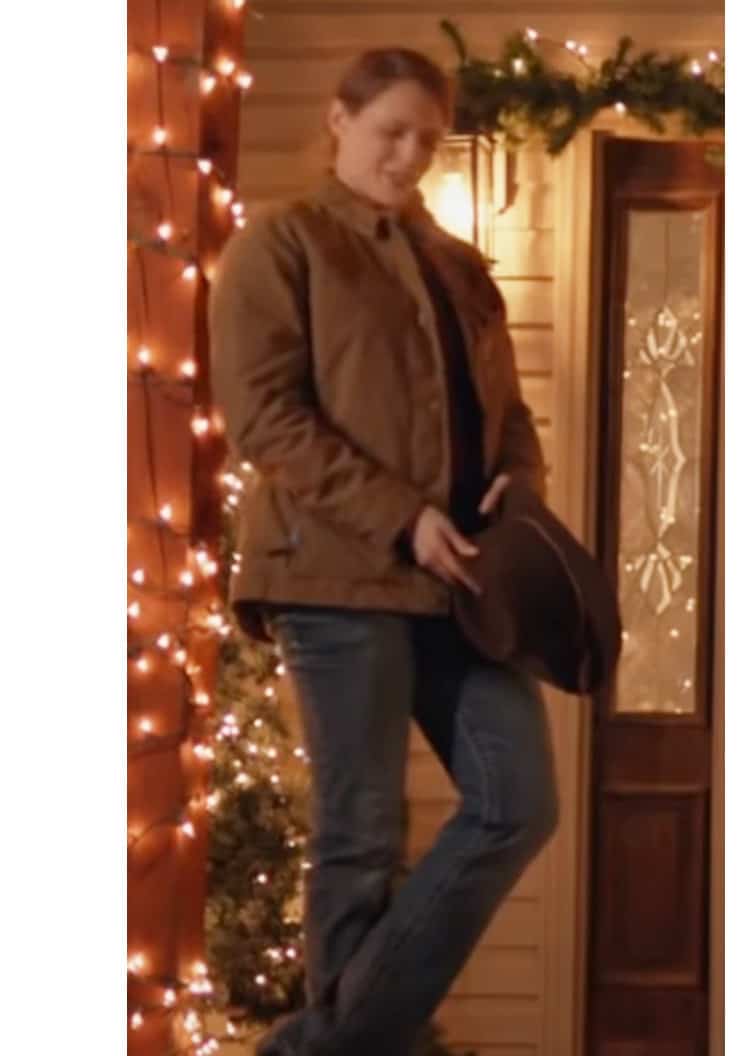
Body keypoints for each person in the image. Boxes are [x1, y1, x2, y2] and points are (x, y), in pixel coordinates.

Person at [209, 46, 559, 1056]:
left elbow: (509, 416)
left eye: (426, 138)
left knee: (518, 803)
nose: (407, 155)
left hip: (460, 586)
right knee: (358, 839)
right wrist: (404, 517)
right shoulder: (283, 246)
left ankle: (321, 1045)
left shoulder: (458, 267)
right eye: (389, 131)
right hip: (334, 576)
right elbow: (266, 418)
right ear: (338, 120)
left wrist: (519, 486)